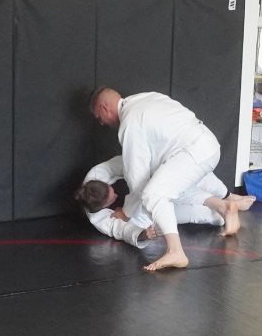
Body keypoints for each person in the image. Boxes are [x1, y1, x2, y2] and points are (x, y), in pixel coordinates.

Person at [91, 88, 234, 272]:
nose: (101, 123)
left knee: (152, 194)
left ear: (104, 108)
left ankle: (175, 251)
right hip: (206, 143)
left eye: (98, 117)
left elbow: (137, 179)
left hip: (194, 152)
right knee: (169, 188)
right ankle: (224, 207)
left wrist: (126, 213)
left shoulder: (129, 123)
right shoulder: (143, 98)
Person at [74, 156, 248, 254]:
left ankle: (228, 197)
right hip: (146, 215)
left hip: (154, 182)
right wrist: (141, 234)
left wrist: (126, 211)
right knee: (212, 219)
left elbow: (136, 166)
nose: (117, 194)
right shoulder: (97, 217)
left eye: (113, 190)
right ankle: (224, 208)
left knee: (197, 176)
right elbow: (120, 231)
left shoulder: (98, 173)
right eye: (113, 199)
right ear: (103, 207)